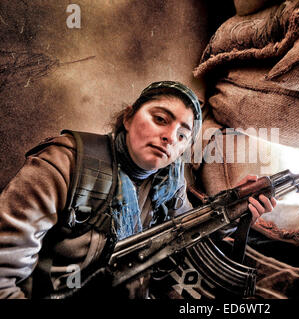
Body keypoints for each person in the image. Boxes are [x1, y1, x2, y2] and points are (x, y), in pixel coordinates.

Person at [0, 81, 276, 299]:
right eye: (160, 119)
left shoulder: (171, 180)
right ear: (129, 118)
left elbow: (189, 233)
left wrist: (233, 207)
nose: (170, 137)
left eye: (183, 135)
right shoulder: (65, 163)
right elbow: (3, 273)